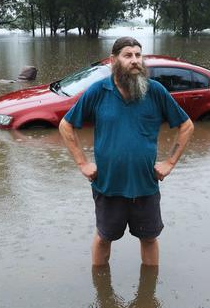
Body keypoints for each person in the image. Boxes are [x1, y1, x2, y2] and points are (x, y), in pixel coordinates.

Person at [59, 37, 194, 266]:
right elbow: (66, 125)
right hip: (108, 185)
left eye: (138, 55)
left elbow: (187, 125)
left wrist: (169, 163)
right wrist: (83, 163)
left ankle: (148, 298)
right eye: (128, 55)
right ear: (114, 60)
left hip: (146, 186)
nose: (135, 60)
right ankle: (102, 296)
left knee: (149, 239)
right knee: (104, 239)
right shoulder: (98, 91)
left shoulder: (155, 91)